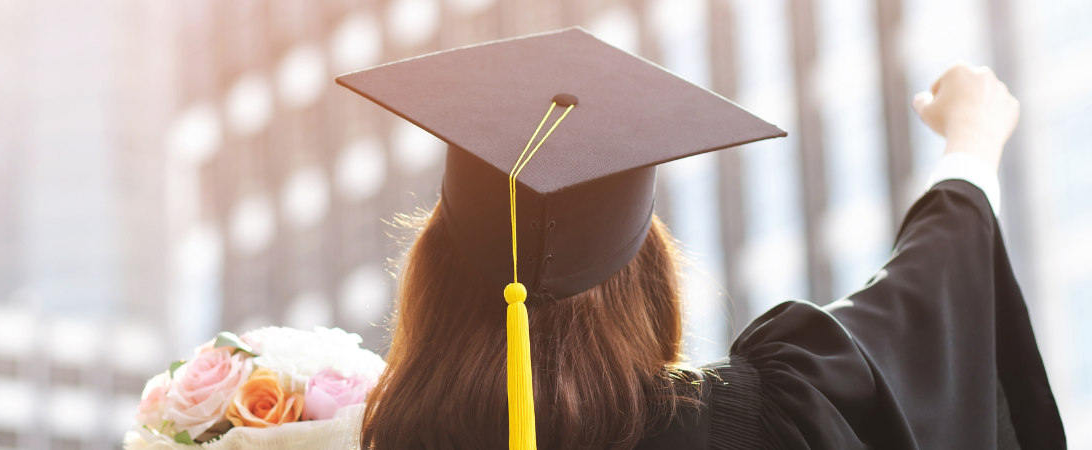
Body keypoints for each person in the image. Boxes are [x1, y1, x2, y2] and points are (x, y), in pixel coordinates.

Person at [336, 28, 1063, 449]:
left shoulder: (369, 440)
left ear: (433, 271)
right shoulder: (755, 420)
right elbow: (919, 309)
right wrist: (970, 146)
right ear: (645, 275)